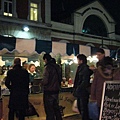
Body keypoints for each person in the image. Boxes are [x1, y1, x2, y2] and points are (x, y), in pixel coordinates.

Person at [41, 54, 62, 120]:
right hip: (56, 91)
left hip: (49, 92)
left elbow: (45, 81)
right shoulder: (58, 67)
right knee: (56, 109)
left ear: (46, 60)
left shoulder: (47, 67)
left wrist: (40, 83)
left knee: (49, 110)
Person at [73, 54, 92, 120]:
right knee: (81, 107)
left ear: (81, 61)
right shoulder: (81, 68)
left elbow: (84, 81)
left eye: (78, 60)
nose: (77, 61)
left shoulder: (84, 68)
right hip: (81, 91)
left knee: (83, 108)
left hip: (82, 92)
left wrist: (78, 89)